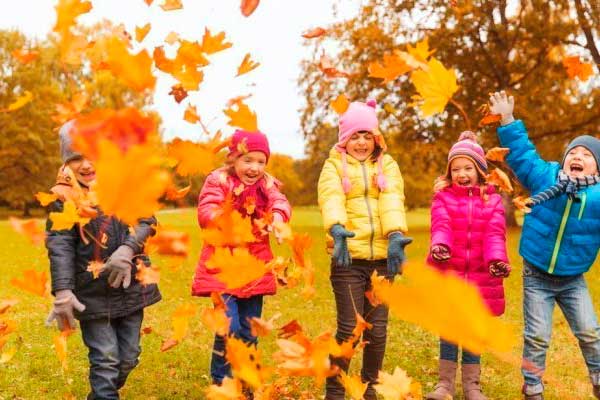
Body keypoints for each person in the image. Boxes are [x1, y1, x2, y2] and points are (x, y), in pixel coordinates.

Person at [490, 90, 600, 400]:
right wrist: (508, 120)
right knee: (537, 336)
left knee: (590, 332)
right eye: (573, 153)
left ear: (598, 169)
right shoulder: (546, 177)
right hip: (537, 274)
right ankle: (533, 386)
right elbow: (523, 155)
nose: (577, 157)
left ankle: (598, 377)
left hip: (573, 279)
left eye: (587, 156)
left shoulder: (598, 198)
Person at [45, 120, 161, 400]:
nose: (85, 165)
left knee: (128, 357)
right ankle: (104, 394)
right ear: (66, 163)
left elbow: (147, 220)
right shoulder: (63, 199)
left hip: (130, 287)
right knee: (106, 361)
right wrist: (63, 291)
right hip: (91, 292)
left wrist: (127, 249)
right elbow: (59, 245)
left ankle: (101, 393)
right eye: (76, 159)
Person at [317, 99, 411, 400]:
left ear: (376, 138)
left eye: (366, 136)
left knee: (377, 331)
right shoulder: (333, 165)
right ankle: (335, 390)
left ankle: (370, 389)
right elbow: (331, 197)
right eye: (355, 136)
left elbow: (392, 199)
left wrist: (395, 235)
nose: (361, 142)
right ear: (344, 139)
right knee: (349, 330)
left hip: (383, 260)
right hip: (348, 259)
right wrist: (336, 228)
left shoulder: (388, 165)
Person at [191, 129, 291, 386]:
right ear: (233, 159)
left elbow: (279, 201)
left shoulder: (267, 184)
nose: (254, 167)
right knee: (229, 327)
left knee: (248, 330)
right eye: (248, 160)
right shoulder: (219, 181)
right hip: (222, 266)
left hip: (254, 268)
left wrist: (279, 218)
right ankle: (222, 381)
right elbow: (207, 209)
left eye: (260, 161)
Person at [425, 130, 510, 400]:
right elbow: (442, 225)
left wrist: (497, 260)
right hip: (450, 272)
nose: (462, 174)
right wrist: (440, 246)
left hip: (479, 276)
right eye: (456, 168)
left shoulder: (492, 200)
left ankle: (472, 386)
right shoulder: (443, 198)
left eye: (468, 168)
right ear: (450, 173)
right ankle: (445, 385)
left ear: (480, 170)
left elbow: (495, 234)